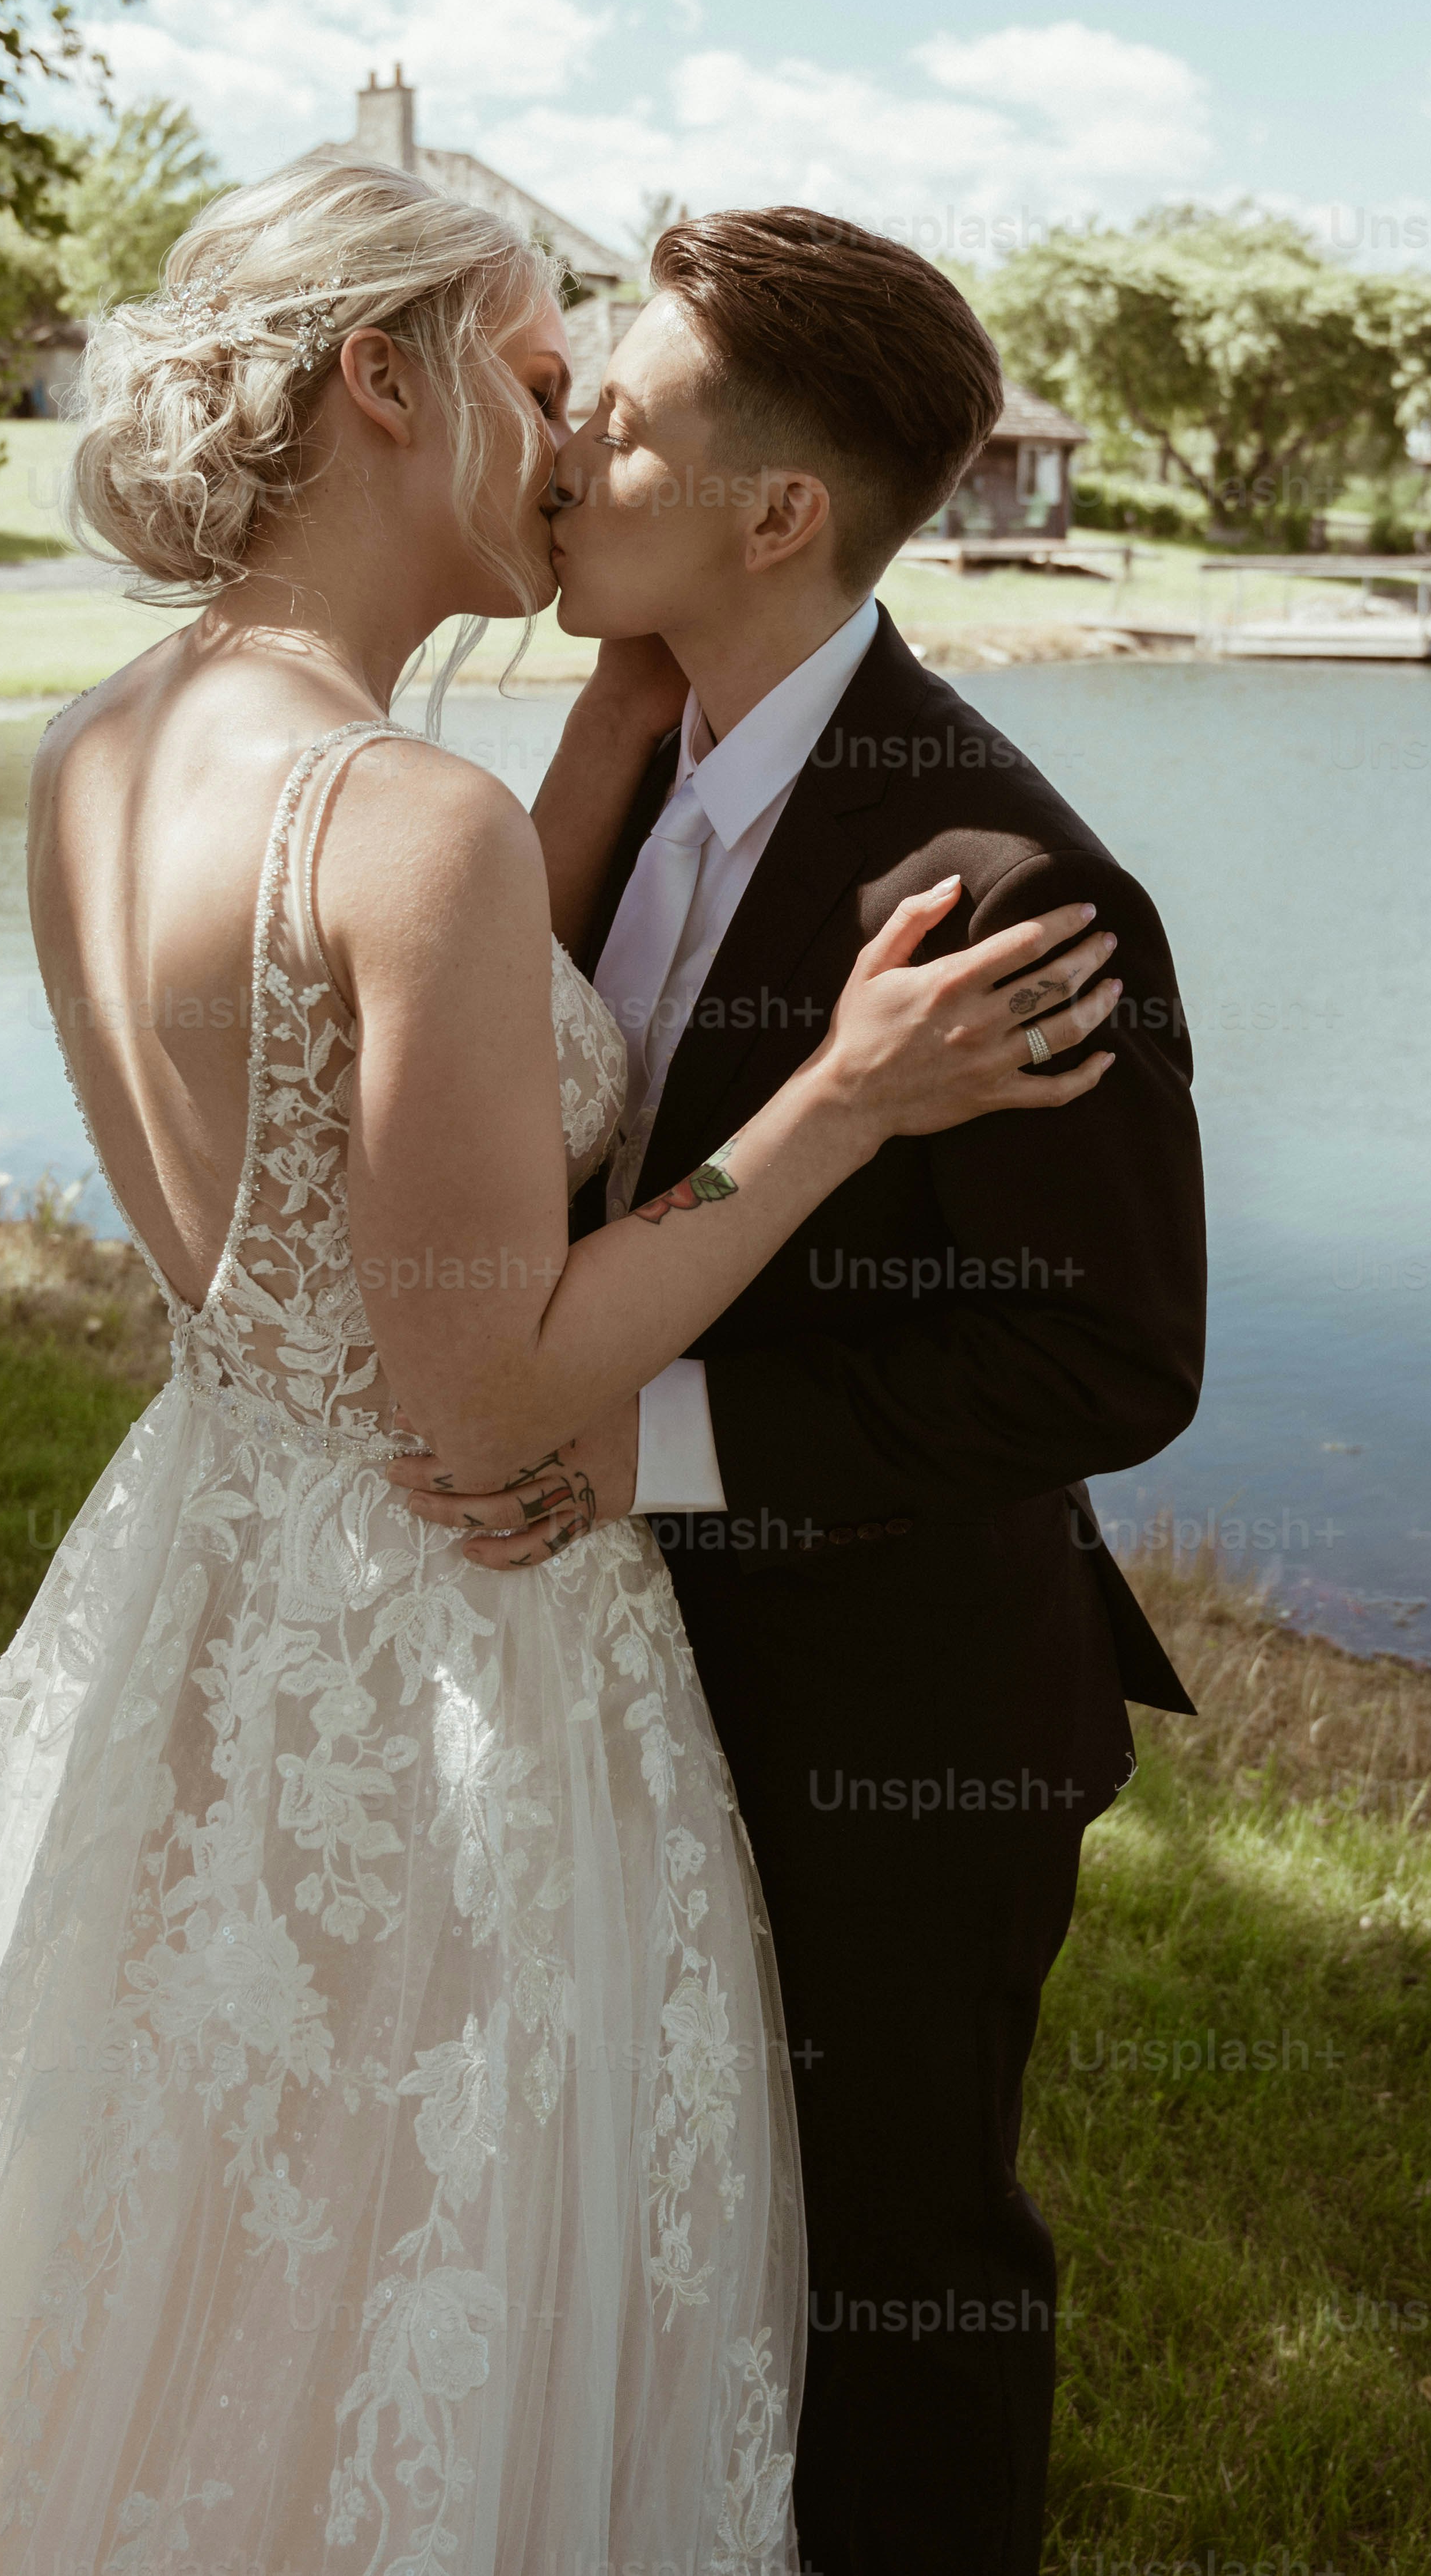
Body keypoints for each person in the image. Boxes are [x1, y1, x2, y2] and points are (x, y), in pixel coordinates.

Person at [0, 159, 1124, 2576]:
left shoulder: (108, 754)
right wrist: (838, 1099)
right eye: (543, 378)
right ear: (384, 379)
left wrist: (630, 698)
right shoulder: (404, 819)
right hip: (449, 1634)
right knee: (429, 2256)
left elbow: (385, 1081)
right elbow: (483, 1388)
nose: (562, 442)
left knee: (191, 2236)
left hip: (222, 1585)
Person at [386, 207, 1205, 2576]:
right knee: (674, 2212)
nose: (558, 453)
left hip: (898, 1706)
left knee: (898, 2267)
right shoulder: (639, 744)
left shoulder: (1002, 869)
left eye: (610, 419)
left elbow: (1110, 1351)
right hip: (623, 1677)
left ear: (780, 515)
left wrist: (638, 1445)